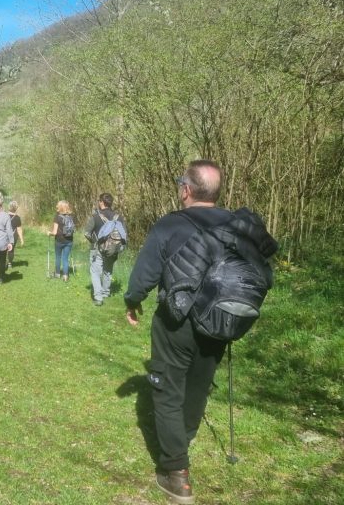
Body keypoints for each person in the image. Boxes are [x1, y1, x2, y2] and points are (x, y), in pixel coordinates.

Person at [124, 160, 235, 504]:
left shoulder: (171, 225)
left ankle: (177, 474)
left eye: (180, 183)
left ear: (186, 190)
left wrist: (133, 300)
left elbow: (145, 271)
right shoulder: (237, 225)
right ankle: (181, 442)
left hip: (177, 321)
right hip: (220, 321)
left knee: (168, 391)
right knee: (197, 387)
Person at [84, 193, 126, 306]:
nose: (98, 202)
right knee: (108, 271)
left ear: (102, 202)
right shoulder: (118, 217)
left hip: (97, 248)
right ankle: (106, 292)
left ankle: (98, 298)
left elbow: (86, 233)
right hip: (113, 249)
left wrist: (94, 242)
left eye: (99, 201)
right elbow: (123, 234)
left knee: (95, 272)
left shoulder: (95, 216)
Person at [47, 200, 75, 282]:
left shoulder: (57, 217)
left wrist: (49, 233)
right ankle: (65, 276)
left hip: (59, 241)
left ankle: (58, 274)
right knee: (65, 258)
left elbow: (55, 232)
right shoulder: (71, 216)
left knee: (58, 257)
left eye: (58, 205)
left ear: (60, 207)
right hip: (69, 240)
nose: (56, 207)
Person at [6, 200, 25, 269]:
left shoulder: (4, 215)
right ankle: (9, 263)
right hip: (13, 235)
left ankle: (2, 262)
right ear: (16, 208)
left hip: (4, 235)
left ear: (9, 207)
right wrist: (21, 239)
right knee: (11, 249)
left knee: (3, 249)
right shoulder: (17, 218)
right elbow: (19, 229)